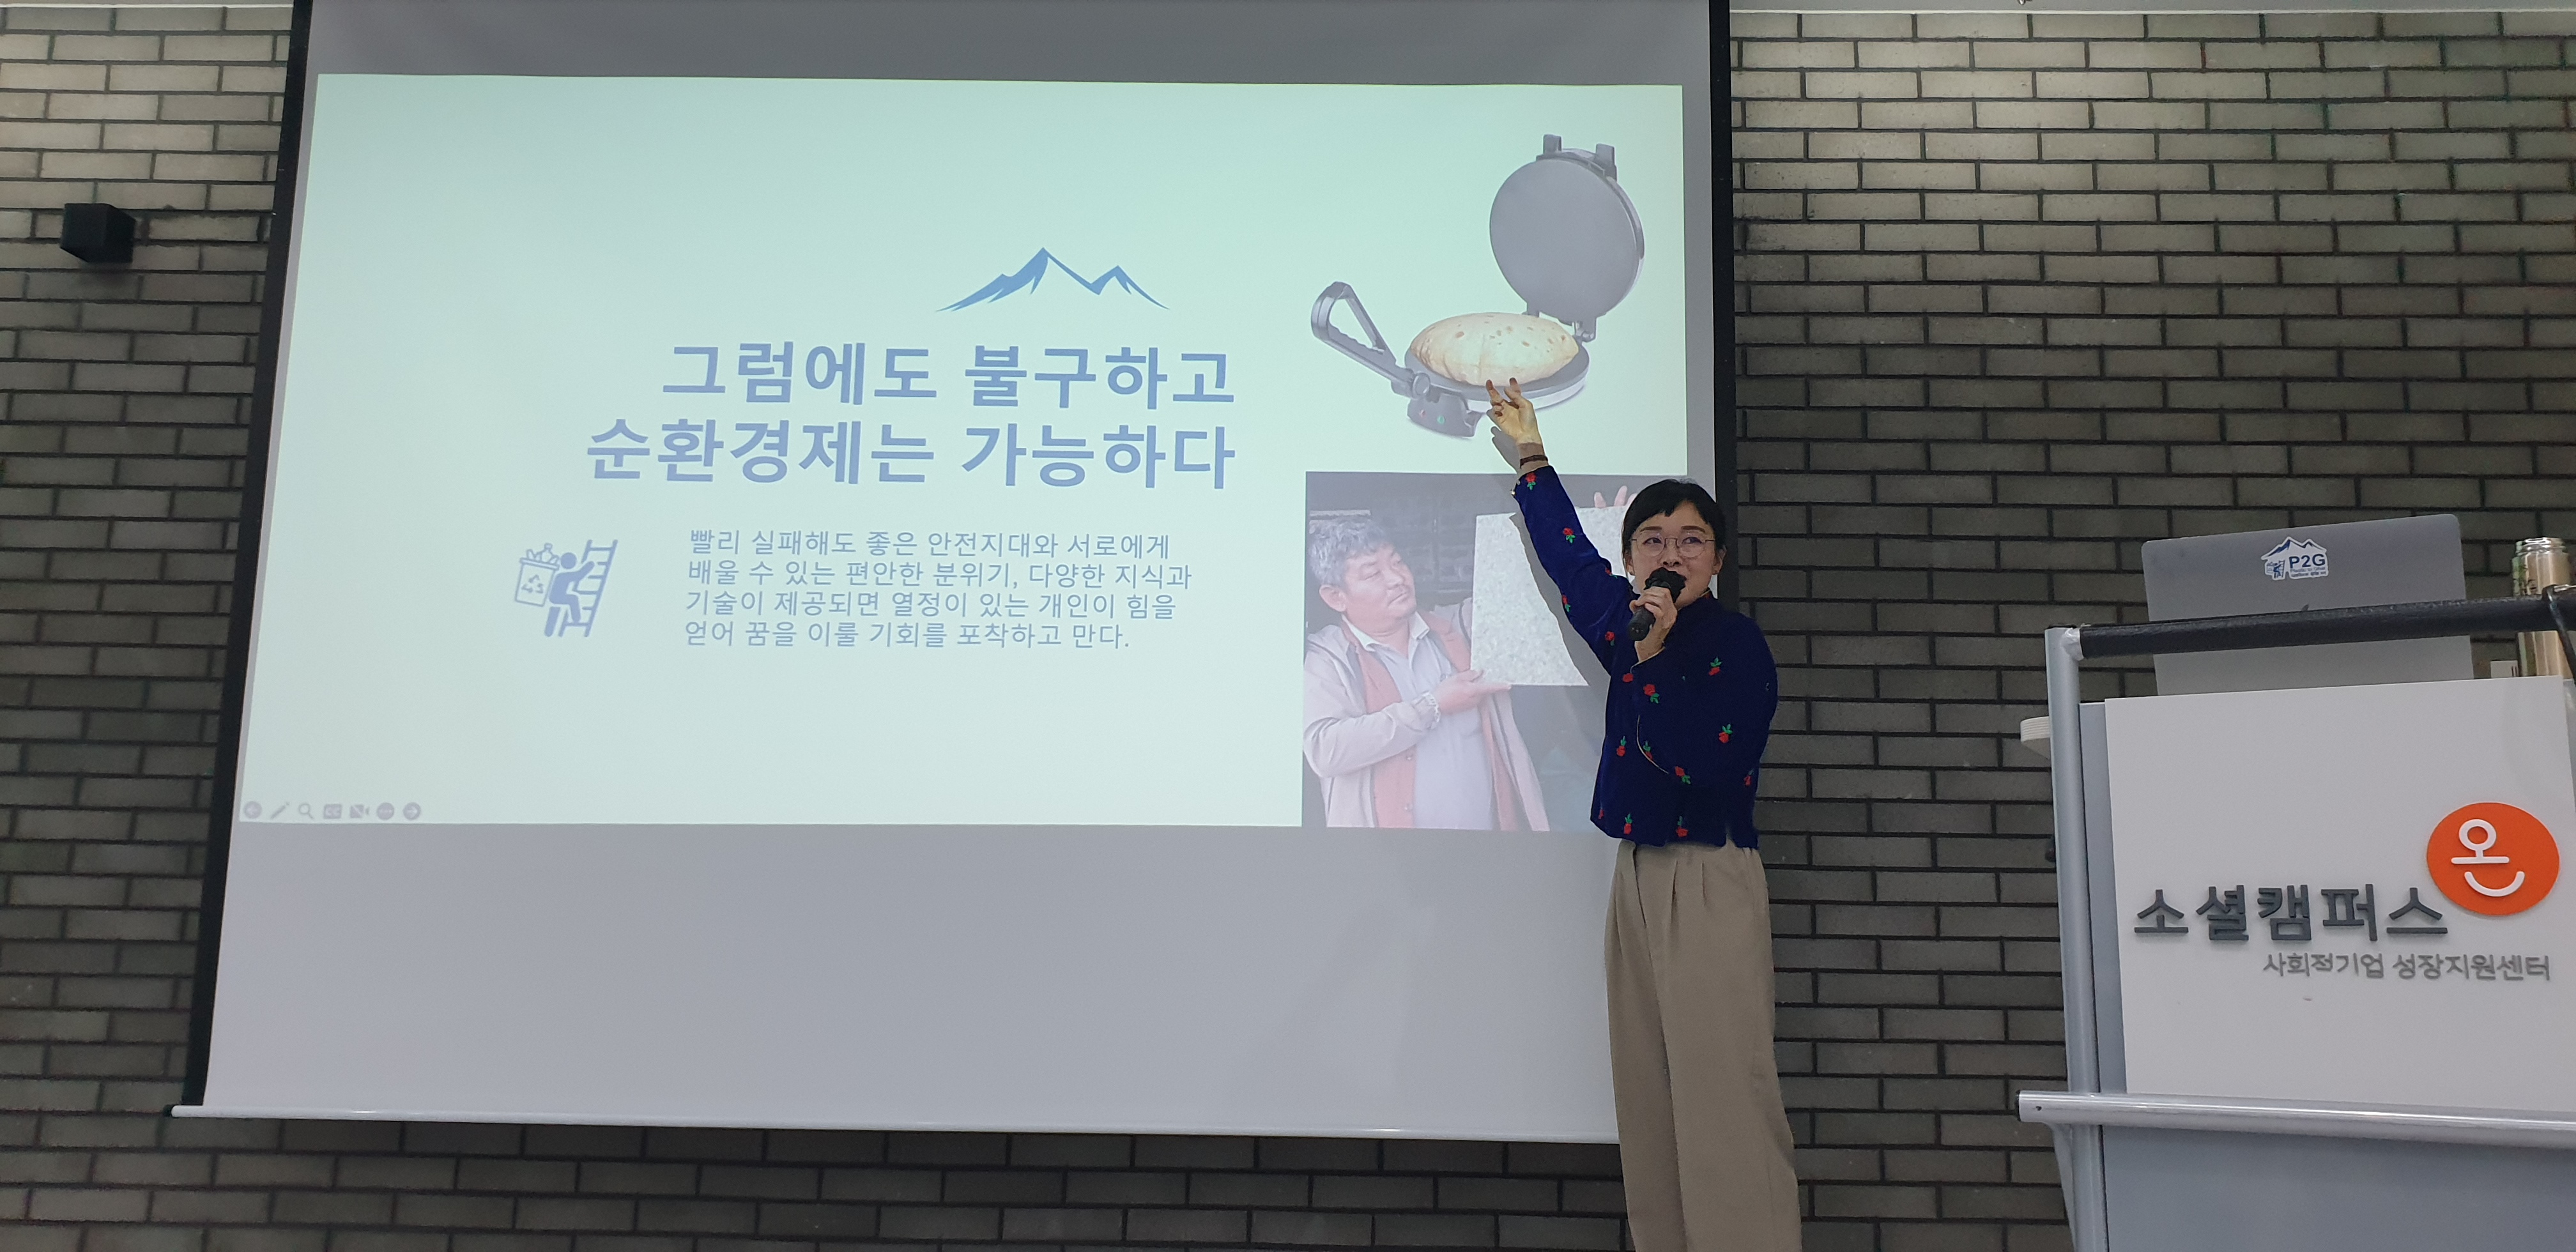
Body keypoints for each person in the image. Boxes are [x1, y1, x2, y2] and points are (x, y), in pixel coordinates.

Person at [1486, 378, 1797, 1251]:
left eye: (1691, 539)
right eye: (1652, 539)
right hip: (1635, 874)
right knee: (1648, 1097)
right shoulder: (1627, 629)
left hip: (1709, 877)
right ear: (1632, 560)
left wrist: (1651, 659)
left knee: (1724, 1096)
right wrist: (1533, 458)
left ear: (1717, 561)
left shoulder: (1735, 645)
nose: (1671, 552)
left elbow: (1707, 759)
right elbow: (1569, 564)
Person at [1303, 515, 1550, 830]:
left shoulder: (1460, 629)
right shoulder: (1328, 659)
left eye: (1398, 563)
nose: (1397, 579)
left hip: (1487, 849)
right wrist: (1432, 706)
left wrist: (1597, 534)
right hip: (1388, 857)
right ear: (1335, 597)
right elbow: (1325, 750)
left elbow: (1523, 595)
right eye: (1373, 574)